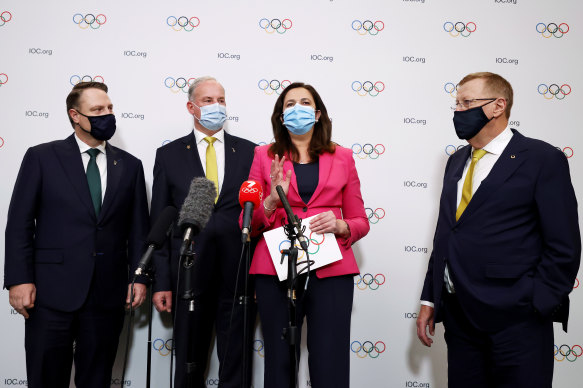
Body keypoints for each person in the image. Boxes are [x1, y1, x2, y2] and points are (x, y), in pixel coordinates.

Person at [416, 72, 581, 387]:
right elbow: (447, 234)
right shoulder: (456, 162)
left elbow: (564, 245)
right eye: (457, 103)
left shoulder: (543, 159)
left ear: (498, 106)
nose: (458, 112)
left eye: (467, 103)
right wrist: (430, 299)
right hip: (460, 316)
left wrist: (536, 302)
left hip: (518, 320)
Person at [4, 81, 150, 388]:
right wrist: (19, 279)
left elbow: (138, 230)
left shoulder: (130, 166)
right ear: (75, 115)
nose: (107, 115)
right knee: (46, 378)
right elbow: (19, 223)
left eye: (109, 108)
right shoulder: (42, 157)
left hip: (107, 295)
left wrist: (139, 278)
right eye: (97, 110)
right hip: (50, 293)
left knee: (96, 379)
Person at [245, 82, 370, 388]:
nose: (297, 108)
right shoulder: (264, 155)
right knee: (279, 358)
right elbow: (247, 222)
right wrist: (272, 200)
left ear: (317, 114)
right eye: (289, 104)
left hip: (332, 268)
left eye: (304, 103)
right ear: (280, 114)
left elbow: (360, 221)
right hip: (277, 268)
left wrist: (340, 225)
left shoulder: (342, 156)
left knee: (330, 359)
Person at [150, 76, 256, 388]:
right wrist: (162, 283)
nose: (216, 106)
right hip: (188, 274)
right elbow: (160, 221)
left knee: (238, 360)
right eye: (208, 100)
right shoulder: (168, 156)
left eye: (221, 100)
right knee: (188, 361)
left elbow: (260, 218)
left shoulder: (250, 152)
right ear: (191, 106)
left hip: (238, 274)